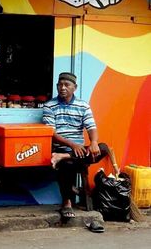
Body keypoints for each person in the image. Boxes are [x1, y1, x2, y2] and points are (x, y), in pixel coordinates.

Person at [42, 72, 109, 219]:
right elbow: (51, 133)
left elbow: (91, 127)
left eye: (67, 85)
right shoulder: (49, 106)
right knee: (68, 164)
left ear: (75, 87)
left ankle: (63, 157)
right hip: (60, 147)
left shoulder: (83, 106)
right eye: (60, 85)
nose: (63, 88)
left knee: (103, 148)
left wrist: (93, 143)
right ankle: (67, 202)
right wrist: (72, 145)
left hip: (79, 150)